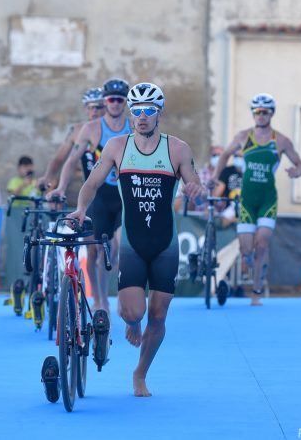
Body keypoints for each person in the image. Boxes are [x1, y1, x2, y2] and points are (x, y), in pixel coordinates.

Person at [69, 82, 204, 397]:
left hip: (165, 245)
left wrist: (197, 190)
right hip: (132, 243)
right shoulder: (117, 146)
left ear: (159, 113)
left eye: (148, 111)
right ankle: (131, 323)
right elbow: (91, 182)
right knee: (133, 313)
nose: (141, 117)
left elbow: (194, 182)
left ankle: (140, 374)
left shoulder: (178, 149)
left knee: (158, 316)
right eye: (136, 111)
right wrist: (80, 209)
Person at [213, 93, 301, 306]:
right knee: (246, 248)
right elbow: (225, 155)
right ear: (253, 114)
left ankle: (256, 292)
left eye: (265, 112)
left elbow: (300, 163)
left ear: (271, 114)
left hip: (267, 200)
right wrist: (216, 178)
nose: (261, 116)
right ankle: (247, 259)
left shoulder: (281, 140)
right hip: (247, 200)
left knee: (262, 243)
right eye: (257, 112)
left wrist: (296, 172)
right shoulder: (243, 136)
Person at [49, 78, 131, 318]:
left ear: (125, 103)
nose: (115, 104)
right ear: (105, 102)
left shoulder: (134, 126)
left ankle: (116, 296)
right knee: (98, 253)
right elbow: (71, 160)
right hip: (99, 196)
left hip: (125, 196)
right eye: (111, 100)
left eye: (120, 100)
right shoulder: (91, 129)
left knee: (117, 249)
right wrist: (61, 188)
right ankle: (100, 299)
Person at [36, 87, 106, 192]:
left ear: (106, 107)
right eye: (90, 107)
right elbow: (59, 159)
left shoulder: (115, 129)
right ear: (85, 109)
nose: (94, 110)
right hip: (87, 186)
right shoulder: (77, 130)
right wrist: (48, 176)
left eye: (98, 106)